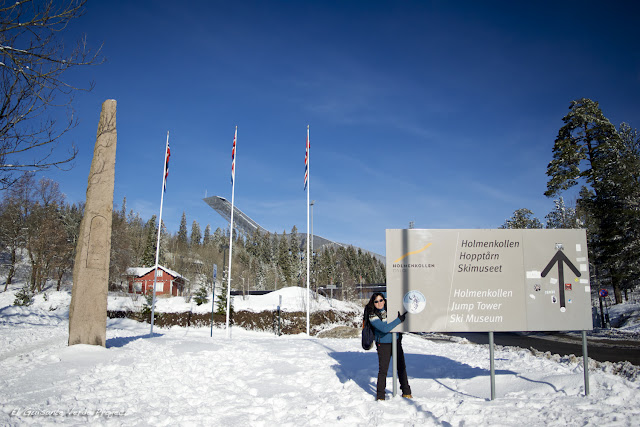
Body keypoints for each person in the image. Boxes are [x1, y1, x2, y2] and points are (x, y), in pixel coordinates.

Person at [366, 292, 412, 400]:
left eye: (381, 300)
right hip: (383, 344)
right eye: (376, 301)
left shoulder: (390, 310)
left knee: (401, 367)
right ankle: (380, 395)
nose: (379, 303)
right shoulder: (372, 315)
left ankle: (406, 392)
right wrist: (398, 320)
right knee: (383, 370)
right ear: (373, 303)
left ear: (384, 300)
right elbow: (385, 328)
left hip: (395, 341)